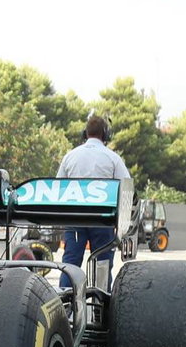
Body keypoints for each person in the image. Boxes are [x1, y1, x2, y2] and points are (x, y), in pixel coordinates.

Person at [55, 114, 131, 288]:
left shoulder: (70, 156)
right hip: (102, 219)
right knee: (102, 265)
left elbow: (58, 187)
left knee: (70, 264)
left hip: (74, 219)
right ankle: (100, 301)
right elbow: (127, 189)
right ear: (105, 134)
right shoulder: (113, 158)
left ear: (85, 133)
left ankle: (65, 299)